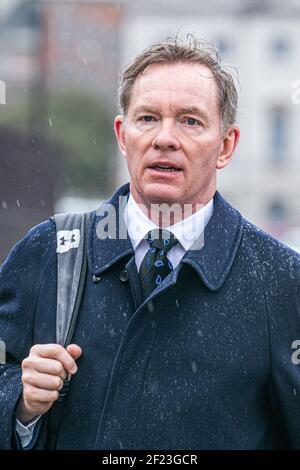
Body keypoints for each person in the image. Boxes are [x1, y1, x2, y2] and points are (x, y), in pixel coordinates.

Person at [1, 35, 300, 450]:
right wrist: (20, 404)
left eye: (190, 121)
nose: (164, 138)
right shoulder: (48, 251)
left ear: (226, 145)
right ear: (123, 136)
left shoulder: (281, 280)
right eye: (147, 119)